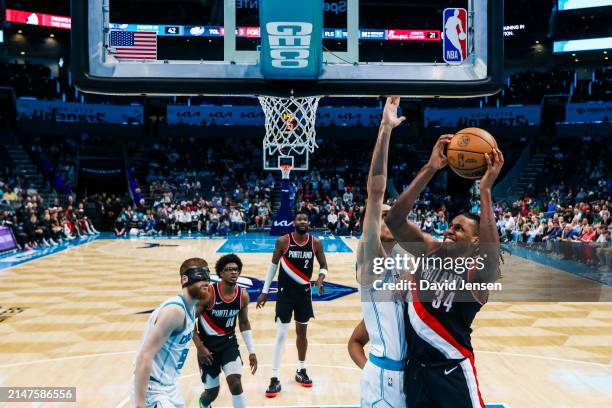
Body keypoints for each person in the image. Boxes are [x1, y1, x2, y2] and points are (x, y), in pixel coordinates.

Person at [386, 134, 504, 408]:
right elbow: (393, 219)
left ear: (476, 241)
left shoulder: (477, 275)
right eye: (451, 225)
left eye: (460, 228)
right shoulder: (430, 249)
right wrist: (430, 168)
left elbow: (491, 254)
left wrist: (485, 191)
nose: (450, 229)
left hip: (452, 371)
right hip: (415, 372)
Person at [350, 96, 408, 407]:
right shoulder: (370, 260)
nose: (385, 216)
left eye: (391, 213)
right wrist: (385, 129)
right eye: (380, 214)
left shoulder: (407, 262)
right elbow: (375, 192)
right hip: (383, 378)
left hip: (413, 376)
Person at [256, 210, 329, 397]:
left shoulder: (316, 243)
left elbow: (324, 266)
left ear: (309, 223)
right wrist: (264, 291)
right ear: (294, 222)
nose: (302, 221)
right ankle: (274, 378)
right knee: (281, 334)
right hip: (285, 294)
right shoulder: (283, 241)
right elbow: (272, 267)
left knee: (302, 333)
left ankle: (301, 370)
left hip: (304, 294)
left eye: (305, 219)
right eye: (299, 219)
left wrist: (320, 279)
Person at [131, 258, 211, 408]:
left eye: (208, 277)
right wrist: (140, 404)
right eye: (200, 276)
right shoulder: (175, 311)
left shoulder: (191, 308)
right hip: (152, 388)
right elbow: (144, 355)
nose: (206, 281)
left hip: (170, 385)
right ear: (185, 279)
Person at [194, 254, 257, 408]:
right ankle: (203, 403)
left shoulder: (243, 296)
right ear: (221, 273)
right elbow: (189, 321)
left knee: (235, 382)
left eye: (236, 269)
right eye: (229, 269)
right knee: (212, 393)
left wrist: (252, 351)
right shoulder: (208, 293)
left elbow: (244, 322)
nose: (233, 272)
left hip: (229, 343)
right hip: (207, 346)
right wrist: (200, 347)